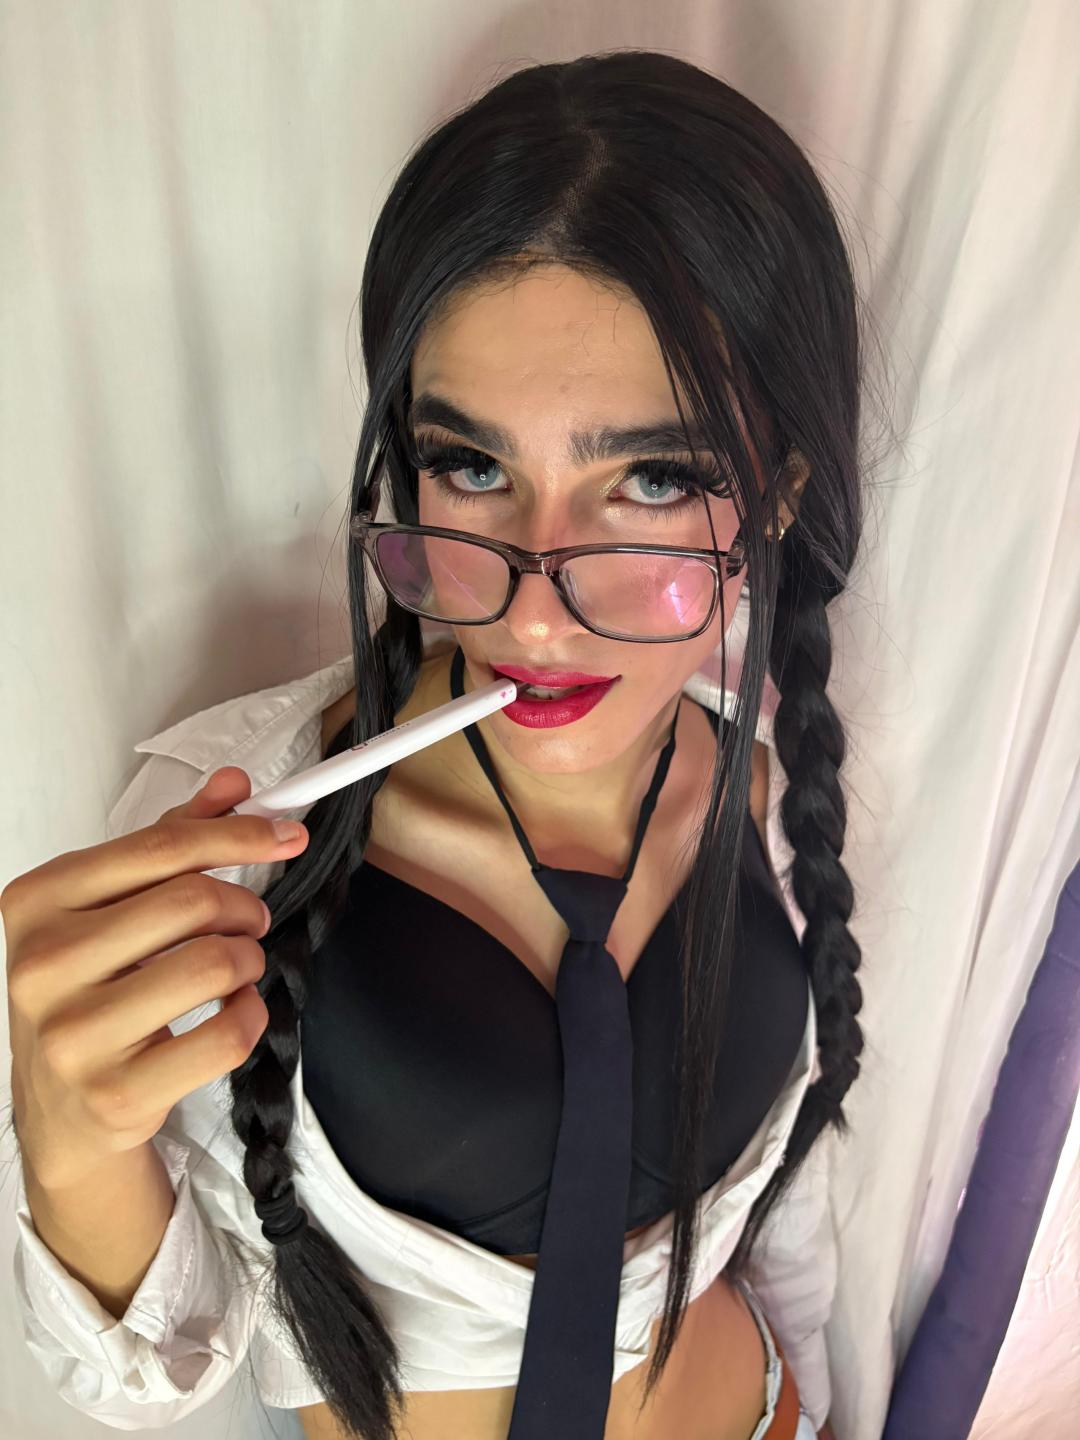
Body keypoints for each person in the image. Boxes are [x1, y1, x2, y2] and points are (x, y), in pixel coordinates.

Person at [5, 50, 864, 1440]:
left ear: (778, 497)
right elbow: (157, 1375)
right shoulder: (232, 837)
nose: (532, 610)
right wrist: (68, 1143)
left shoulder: (777, 793)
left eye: (652, 479)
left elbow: (784, 1233)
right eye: (472, 467)